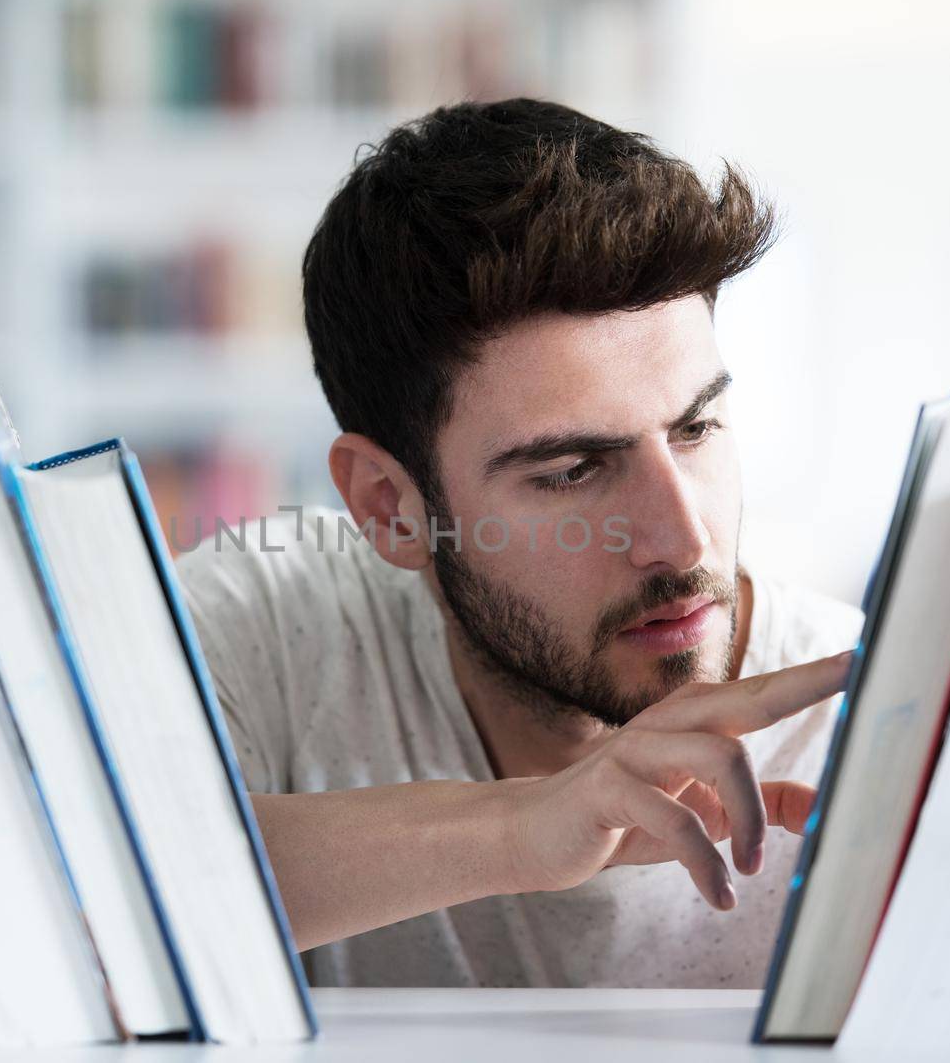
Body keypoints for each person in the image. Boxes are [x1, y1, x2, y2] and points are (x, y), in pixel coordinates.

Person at [176, 98, 863, 989]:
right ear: (390, 507)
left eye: (695, 429)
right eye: (574, 469)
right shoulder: (263, 625)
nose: (682, 537)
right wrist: (520, 830)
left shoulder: (856, 722)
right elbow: (74, 897)